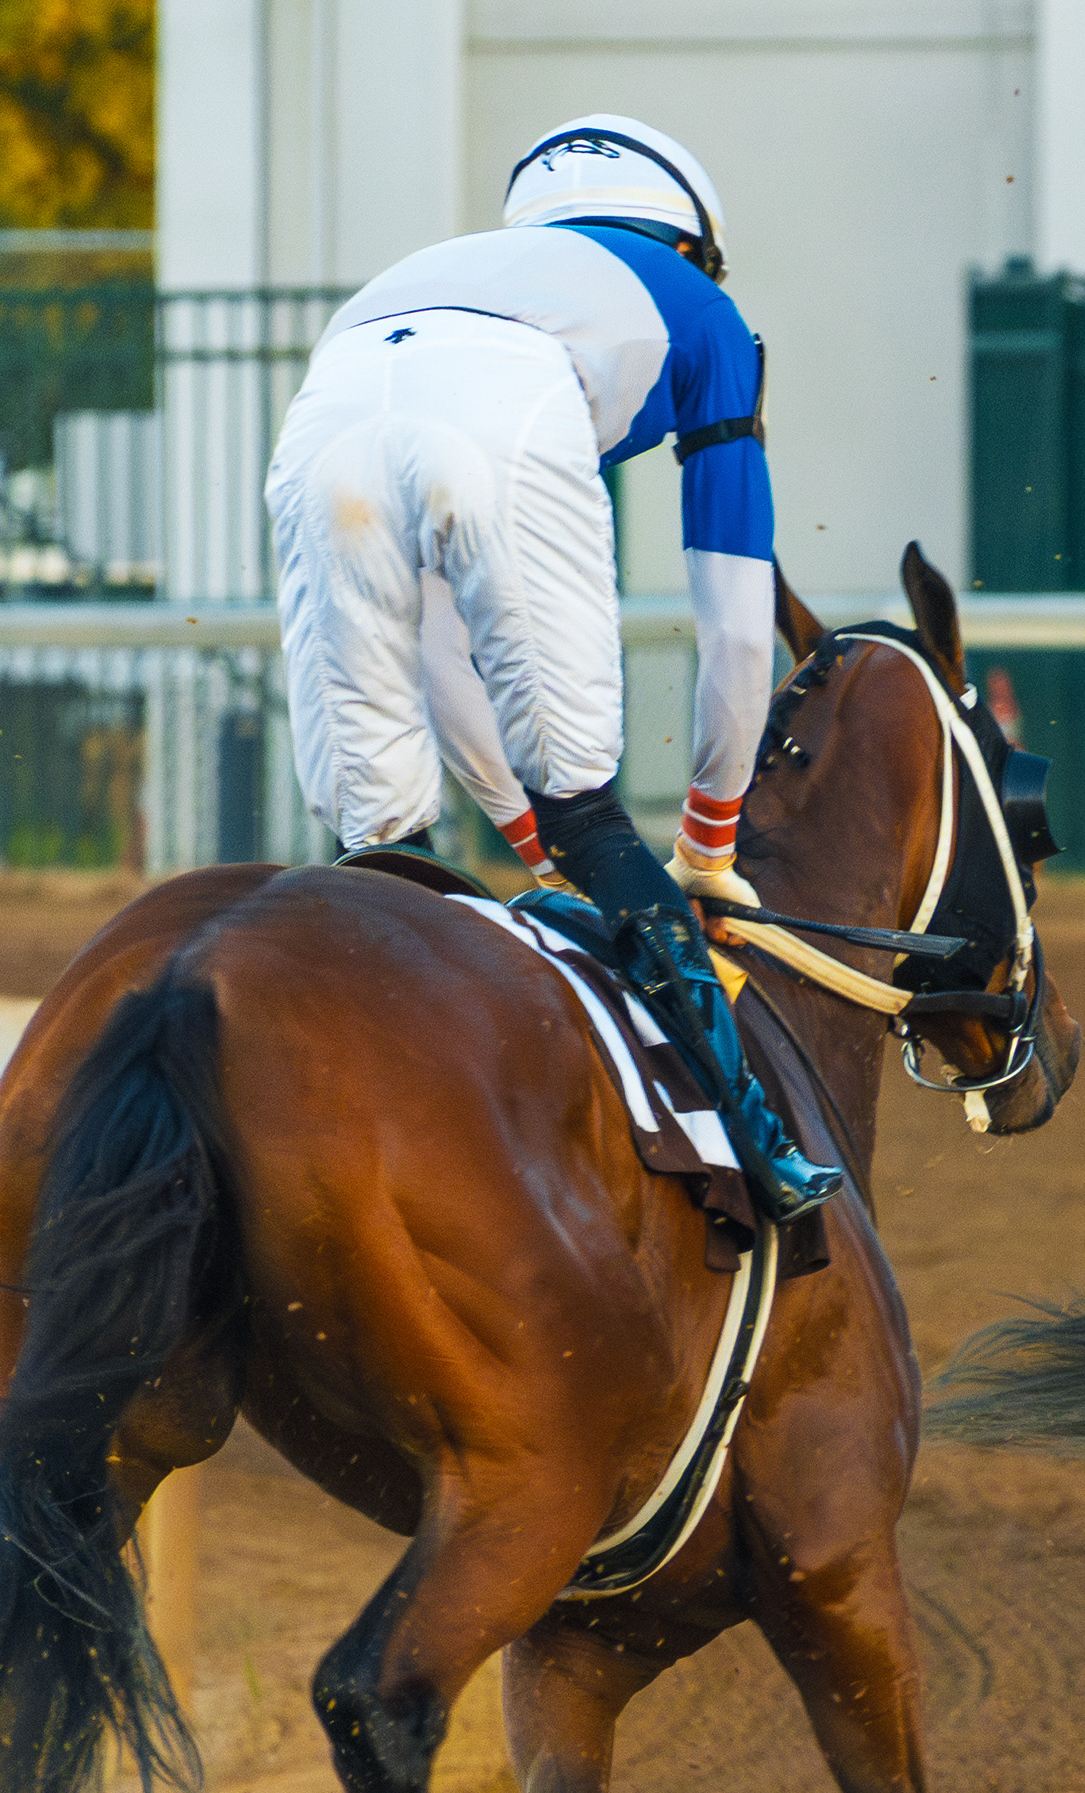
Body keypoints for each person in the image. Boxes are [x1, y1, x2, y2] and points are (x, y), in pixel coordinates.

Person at [265, 112, 840, 1220]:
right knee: (593, 816)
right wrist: (704, 839)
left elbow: (439, 643)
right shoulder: (699, 306)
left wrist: (517, 834)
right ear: (691, 241)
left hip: (323, 417)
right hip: (505, 413)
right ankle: (760, 1148)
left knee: (378, 842)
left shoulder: (425, 274)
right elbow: (733, 613)